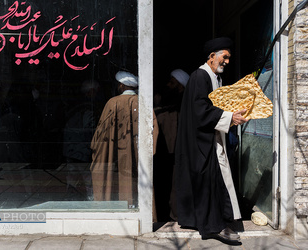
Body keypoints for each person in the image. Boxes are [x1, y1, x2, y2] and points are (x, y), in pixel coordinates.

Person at [174, 37, 248, 244]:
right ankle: (213, 226)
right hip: (203, 143)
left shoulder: (213, 77)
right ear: (212, 56)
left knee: (213, 182)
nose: (227, 61)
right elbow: (200, 111)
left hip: (210, 138)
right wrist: (229, 118)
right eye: (225, 57)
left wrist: (230, 114)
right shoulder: (200, 76)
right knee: (209, 182)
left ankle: (212, 221)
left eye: (228, 58)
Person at [90, 71, 159, 208]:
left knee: (118, 181)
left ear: (121, 86)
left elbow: (101, 133)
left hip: (117, 155)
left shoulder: (112, 103)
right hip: (140, 155)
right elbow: (153, 129)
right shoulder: (144, 102)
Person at [153, 69, 189, 222]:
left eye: (172, 83)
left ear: (180, 86)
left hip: (178, 153)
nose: (168, 85)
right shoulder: (167, 103)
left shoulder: (184, 106)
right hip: (165, 153)